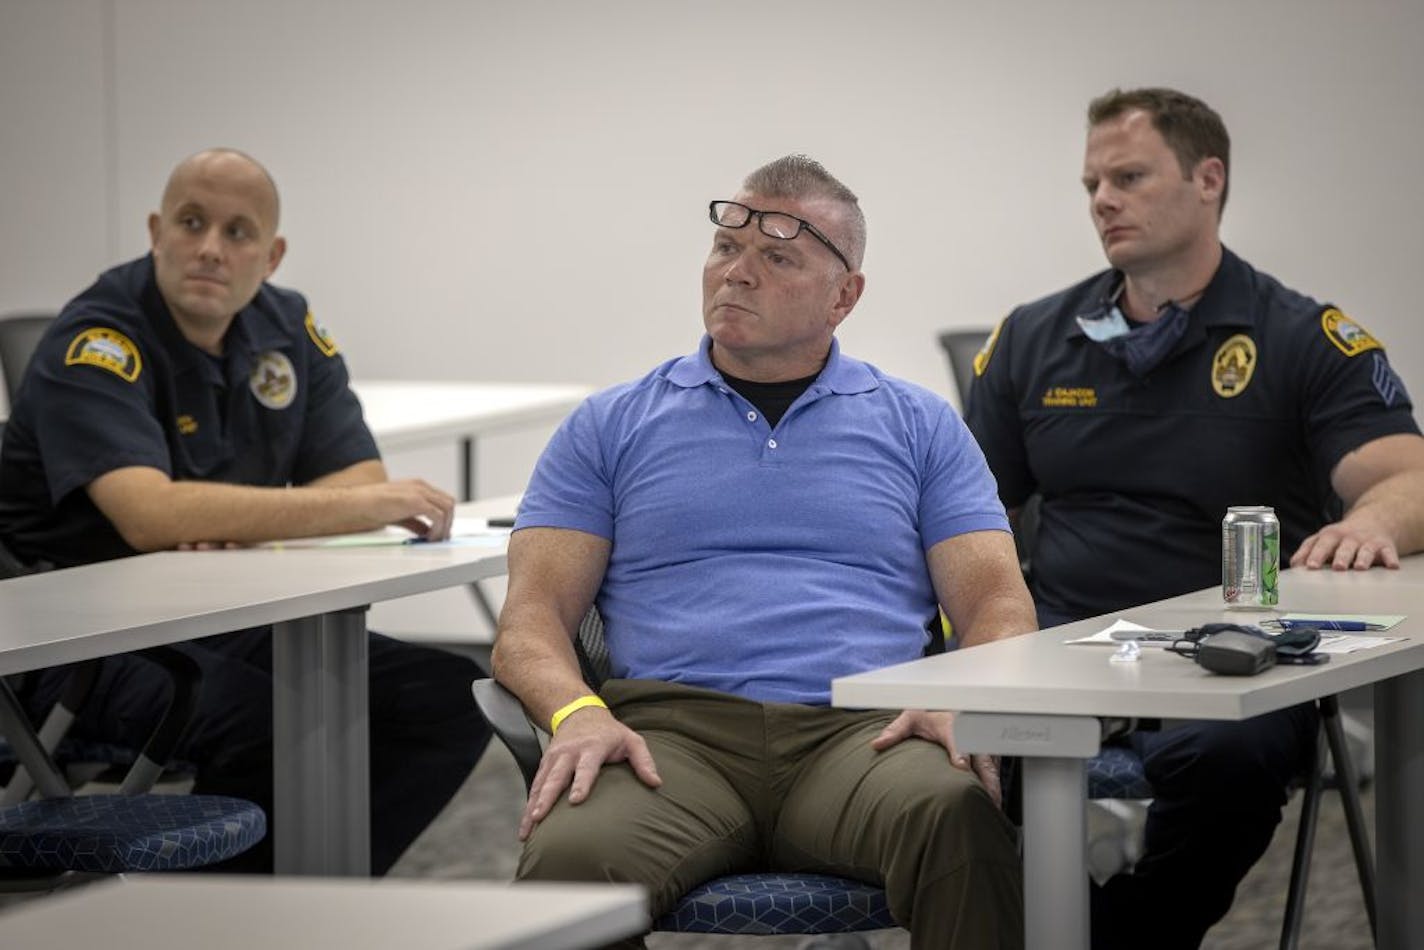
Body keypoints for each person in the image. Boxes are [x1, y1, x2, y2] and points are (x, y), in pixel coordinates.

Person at [491, 154, 1036, 950]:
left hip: (864, 734)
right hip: (671, 740)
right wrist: (576, 713)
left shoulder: (918, 425)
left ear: (844, 295)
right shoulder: (608, 426)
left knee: (957, 818)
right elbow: (529, 620)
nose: (736, 273)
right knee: (570, 859)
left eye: (777, 256)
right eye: (725, 248)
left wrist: (963, 697)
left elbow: (997, 604)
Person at [965, 87, 1424, 948]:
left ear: (1208, 178)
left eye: (1129, 175)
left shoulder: (1300, 337)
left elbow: (1409, 476)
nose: (1103, 199)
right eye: (1092, 182)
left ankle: (1126, 935)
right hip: (1066, 637)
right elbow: (966, 513)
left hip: (1231, 645)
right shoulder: (1032, 338)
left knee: (1232, 762)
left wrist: (1375, 524)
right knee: (977, 751)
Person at [0, 148, 491, 874]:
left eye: (237, 232)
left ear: (272, 255)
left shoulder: (284, 325)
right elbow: (148, 517)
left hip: (208, 615)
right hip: (71, 641)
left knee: (444, 698)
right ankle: (232, 919)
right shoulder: (97, 341)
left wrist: (220, 517)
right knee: (277, 727)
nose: (209, 248)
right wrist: (201, 516)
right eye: (191, 223)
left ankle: (312, 902)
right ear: (155, 231)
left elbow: (356, 476)